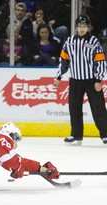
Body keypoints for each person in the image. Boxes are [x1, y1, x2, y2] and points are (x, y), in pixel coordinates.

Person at [54, 15, 107, 145]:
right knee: (74, 108)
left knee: (98, 108)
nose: (82, 28)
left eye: (84, 26)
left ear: (88, 27)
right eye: (80, 25)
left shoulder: (94, 41)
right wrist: (59, 76)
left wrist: (98, 79)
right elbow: (64, 60)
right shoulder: (70, 41)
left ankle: (105, 134)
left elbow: (100, 61)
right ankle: (76, 135)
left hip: (91, 80)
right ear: (76, 26)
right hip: (75, 81)